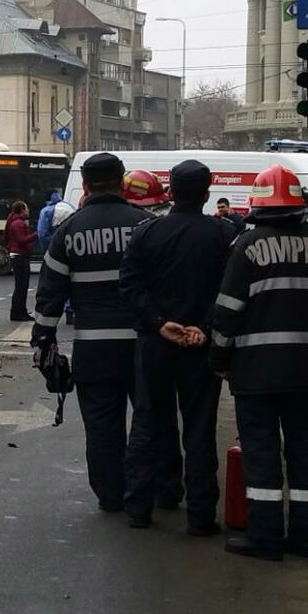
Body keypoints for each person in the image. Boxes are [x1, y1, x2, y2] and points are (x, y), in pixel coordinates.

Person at [119, 160, 236, 534]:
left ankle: (141, 505)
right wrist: (202, 328)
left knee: (148, 422)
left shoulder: (147, 233)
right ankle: (201, 516)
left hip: (155, 342)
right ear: (206, 193)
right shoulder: (222, 235)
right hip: (200, 347)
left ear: (170, 192)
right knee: (200, 429)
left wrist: (158, 323)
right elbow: (227, 292)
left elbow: (130, 288)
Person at [33, 152, 152, 514]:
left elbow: (50, 296)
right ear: (122, 182)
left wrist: (43, 342)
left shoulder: (69, 232)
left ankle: (111, 495)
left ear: (84, 185)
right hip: (144, 347)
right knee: (148, 422)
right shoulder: (146, 226)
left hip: (94, 350)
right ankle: (145, 495)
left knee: (102, 427)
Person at [211, 165, 308, 561]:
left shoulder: (247, 246)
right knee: (304, 453)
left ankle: (265, 538)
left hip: (256, 372)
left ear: (257, 204)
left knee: (262, 454)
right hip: (305, 373)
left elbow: (227, 311)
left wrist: (219, 358)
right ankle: (303, 536)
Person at [4, 200, 39, 321]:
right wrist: (37, 234)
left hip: (19, 256)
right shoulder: (18, 223)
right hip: (20, 256)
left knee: (21, 286)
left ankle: (20, 311)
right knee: (21, 286)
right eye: (27, 208)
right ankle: (18, 313)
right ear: (22, 210)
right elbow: (22, 240)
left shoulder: (16, 222)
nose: (28, 210)